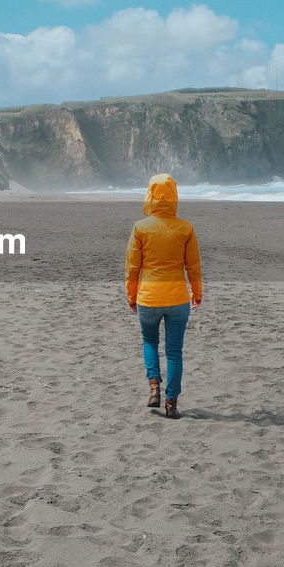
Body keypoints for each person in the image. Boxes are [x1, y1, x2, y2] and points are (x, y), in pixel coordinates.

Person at [125, 173, 203, 419]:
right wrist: (197, 292)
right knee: (174, 352)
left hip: (148, 297)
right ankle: (171, 404)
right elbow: (193, 265)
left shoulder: (140, 227)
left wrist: (131, 296)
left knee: (149, 341)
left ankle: (154, 386)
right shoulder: (185, 228)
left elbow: (132, 267)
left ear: (150, 196)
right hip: (178, 298)